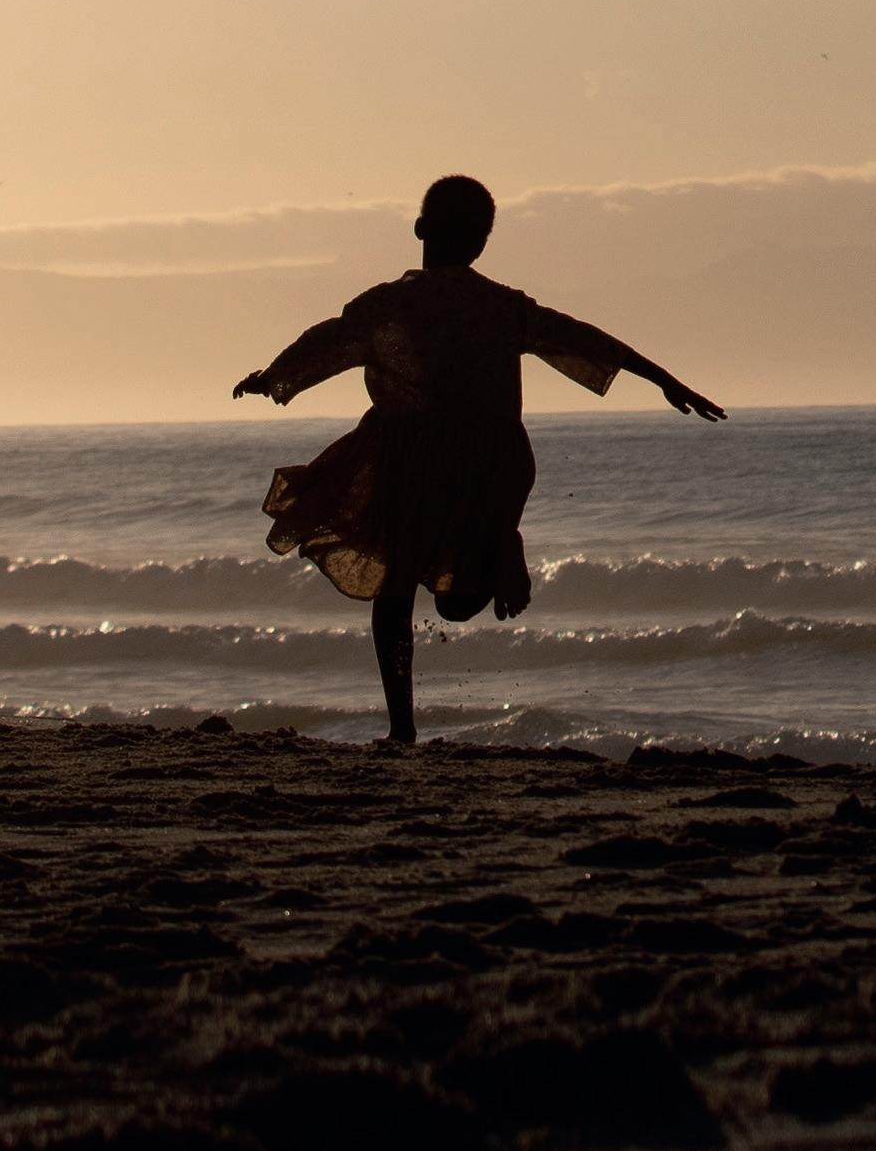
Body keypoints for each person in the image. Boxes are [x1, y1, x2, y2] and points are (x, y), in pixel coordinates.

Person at [234, 173, 723, 745]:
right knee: (436, 598)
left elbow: (326, 341)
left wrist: (273, 378)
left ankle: (413, 706)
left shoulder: (393, 304)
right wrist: (664, 380)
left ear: (420, 228)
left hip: (425, 459)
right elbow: (586, 338)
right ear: (481, 244)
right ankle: (408, 716)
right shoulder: (498, 306)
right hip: (482, 464)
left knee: (421, 596)